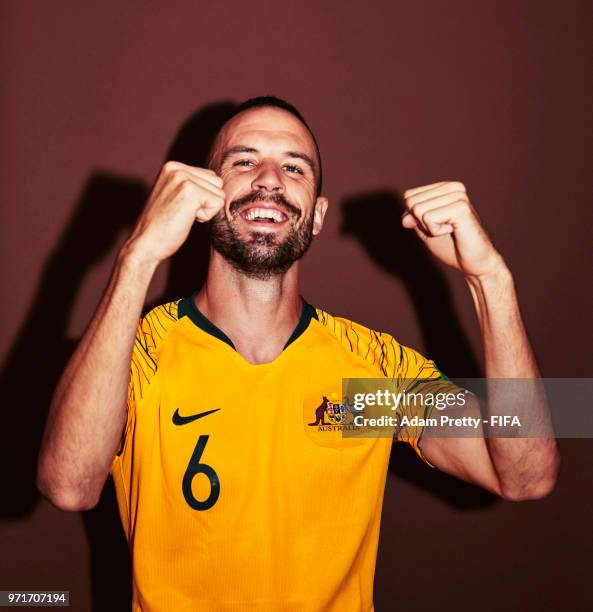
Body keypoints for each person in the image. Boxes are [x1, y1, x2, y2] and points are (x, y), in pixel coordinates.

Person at [37, 96, 559, 611]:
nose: (269, 180)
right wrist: (138, 256)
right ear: (199, 198)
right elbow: (68, 485)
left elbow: (527, 474)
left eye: (294, 167)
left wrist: (490, 280)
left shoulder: (368, 380)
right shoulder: (141, 351)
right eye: (244, 161)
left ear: (317, 217)